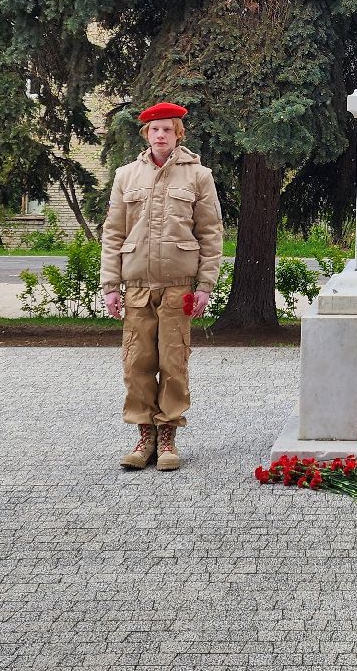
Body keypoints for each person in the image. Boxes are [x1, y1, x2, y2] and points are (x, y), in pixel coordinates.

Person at [102, 102, 225, 471]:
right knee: (136, 364)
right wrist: (110, 285)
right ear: (146, 134)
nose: (160, 135)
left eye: (167, 129)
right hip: (137, 286)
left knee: (174, 363)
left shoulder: (198, 176)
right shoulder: (126, 176)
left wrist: (205, 285)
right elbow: (113, 233)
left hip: (178, 287)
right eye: (154, 130)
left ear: (178, 134)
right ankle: (145, 438)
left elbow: (211, 233)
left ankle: (168, 436)